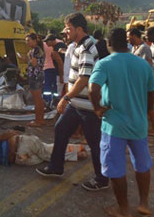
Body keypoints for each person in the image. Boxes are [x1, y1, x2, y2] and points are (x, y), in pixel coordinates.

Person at [36, 13, 109, 192]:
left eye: (68, 28)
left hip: (88, 106)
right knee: (60, 129)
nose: (65, 32)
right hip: (77, 104)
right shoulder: (77, 45)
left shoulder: (86, 47)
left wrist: (66, 97)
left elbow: (84, 78)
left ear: (79, 29)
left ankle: (102, 179)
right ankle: (56, 167)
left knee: (94, 142)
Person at [89, 28, 154, 217]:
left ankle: (123, 209)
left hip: (114, 125)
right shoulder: (144, 65)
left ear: (109, 44)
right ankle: (144, 204)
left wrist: (97, 109)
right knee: (142, 164)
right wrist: (145, 111)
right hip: (138, 124)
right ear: (126, 43)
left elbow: (93, 90)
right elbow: (152, 94)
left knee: (115, 167)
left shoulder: (105, 63)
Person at [0, 128, 88, 166]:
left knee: (47, 151)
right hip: (22, 144)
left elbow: (5, 158)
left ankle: (77, 152)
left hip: (20, 160)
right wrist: (12, 133)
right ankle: (79, 151)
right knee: (48, 153)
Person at [128, 28, 154, 136]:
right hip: (137, 82)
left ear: (134, 36)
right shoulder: (134, 48)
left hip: (144, 82)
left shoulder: (144, 48)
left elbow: (147, 65)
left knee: (149, 106)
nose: (128, 39)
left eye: (129, 37)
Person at [23, 33, 46, 127]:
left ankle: (38, 120)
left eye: (28, 40)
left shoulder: (35, 50)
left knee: (37, 99)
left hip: (35, 75)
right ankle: (41, 119)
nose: (27, 43)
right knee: (39, 99)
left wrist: (26, 59)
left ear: (34, 40)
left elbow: (34, 63)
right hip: (39, 75)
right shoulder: (37, 50)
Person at [42, 34, 64, 104]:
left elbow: (60, 62)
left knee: (51, 86)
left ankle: (51, 102)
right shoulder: (61, 44)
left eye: (47, 41)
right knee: (56, 87)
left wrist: (61, 76)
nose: (46, 43)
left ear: (51, 41)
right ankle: (55, 101)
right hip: (58, 70)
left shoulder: (56, 48)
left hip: (55, 70)